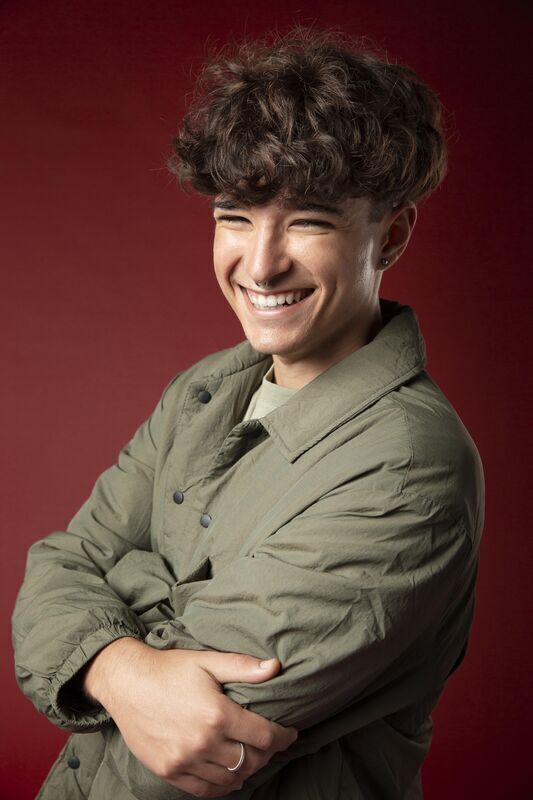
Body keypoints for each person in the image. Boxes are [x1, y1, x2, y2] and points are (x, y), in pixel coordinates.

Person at [12, 26, 485, 800]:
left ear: (391, 234)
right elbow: (59, 567)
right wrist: (125, 665)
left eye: (308, 221)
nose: (260, 265)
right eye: (234, 216)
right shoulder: (204, 390)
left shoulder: (407, 467)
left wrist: (117, 607)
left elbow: (181, 748)